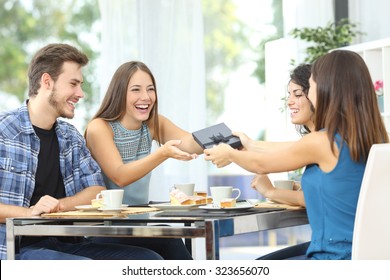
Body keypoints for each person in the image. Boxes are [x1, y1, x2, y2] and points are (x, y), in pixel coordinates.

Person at [204, 50, 389, 260]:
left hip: (332, 258)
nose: (309, 94)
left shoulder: (322, 141)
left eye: (310, 87)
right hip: (364, 256)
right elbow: (290, 150)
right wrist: (250, 144)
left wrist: (229, 153)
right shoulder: (376, 138)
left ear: (329, 89)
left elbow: (261, 165)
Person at [0, 43, 163, 260]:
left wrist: (59, 205)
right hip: (15, 250)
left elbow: (96, 189)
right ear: (47, 81)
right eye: (73, 84)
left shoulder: (70, 137)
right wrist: (28, 213)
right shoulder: (4, 131)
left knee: (148, 260)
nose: (80, 94)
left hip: (66, 243)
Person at [84, 61, 203, 259]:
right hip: (105, 232)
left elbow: (188, 143)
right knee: (155, 255)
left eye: (150, 90)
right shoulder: (100, 127)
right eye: (136, 90)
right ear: (120, 93)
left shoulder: (153, 123)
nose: (146, 97)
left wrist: (221, 136)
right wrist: (161, 154)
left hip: (138, 229)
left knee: (170, 236)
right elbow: (120, 175)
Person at [251, 63, 313, 207]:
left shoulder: (322, 140)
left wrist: (270, 191)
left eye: (297, 94)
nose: (289, 102)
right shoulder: (331, 137)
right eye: (289, 95)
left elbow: (260, 164)